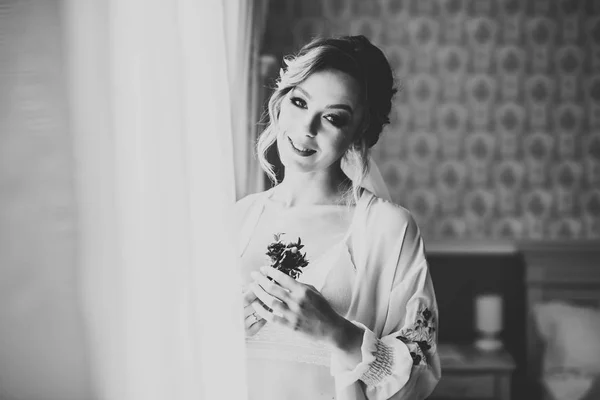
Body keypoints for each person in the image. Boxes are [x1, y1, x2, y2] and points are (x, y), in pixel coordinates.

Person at [234, 35, 441, 400]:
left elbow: (419, 373)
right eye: (299, 102)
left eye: (332, 118)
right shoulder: (237, 218)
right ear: (281, 103)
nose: (307, 128)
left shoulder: (387, 228)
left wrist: (334, 330)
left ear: (360, 132)